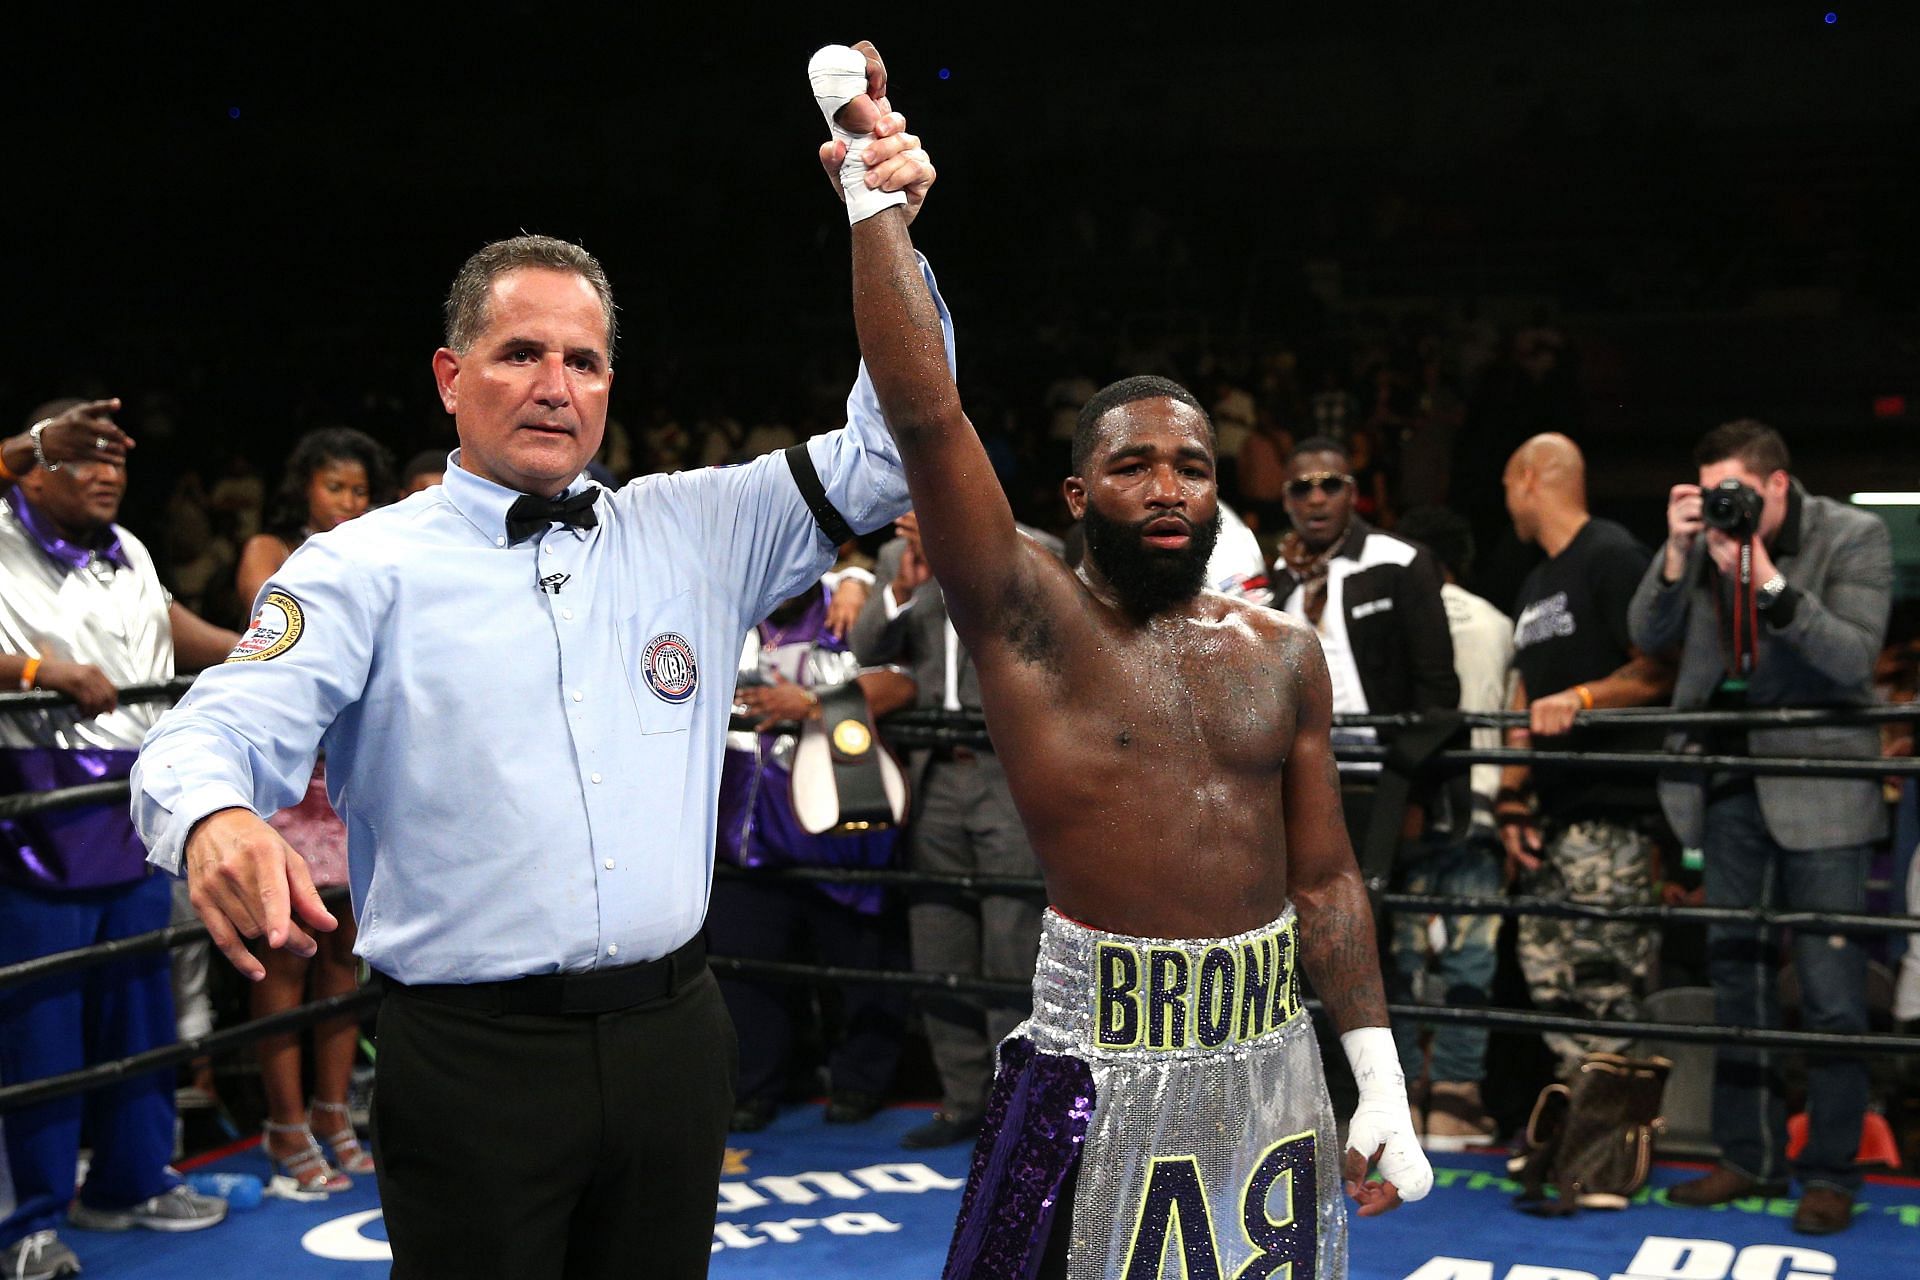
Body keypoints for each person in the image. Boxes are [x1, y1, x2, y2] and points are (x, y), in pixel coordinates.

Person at [132, 92, 943, 1280]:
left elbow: (893, 441)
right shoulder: (363, 565)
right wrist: (213, 813)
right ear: (451, 377)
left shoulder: (698, 526)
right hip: (469, 1056)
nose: (556, 382)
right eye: (521, 353)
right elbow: (215, 725)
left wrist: (883, 218)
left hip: (674, 1034)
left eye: (584, 358)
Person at [813, 43, 1428, 1279]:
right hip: (1100, 1061)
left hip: (1273, 1057)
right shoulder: (1032, 620)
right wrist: (873, 199)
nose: (1167, 488)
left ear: (1220, 493)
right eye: (1135, 464)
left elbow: (1325, 878)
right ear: (1078, 491)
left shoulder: (1283, 653)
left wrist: (1379, 1071)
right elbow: (927, 410)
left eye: (1192, 467)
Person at [1628, 419, 1892, 1236]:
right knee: (1736, 984)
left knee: (1831, 995)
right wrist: (1677, 556)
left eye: (1734, 493)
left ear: (1778, 485)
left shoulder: (1857, 535)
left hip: (1822, 786)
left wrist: (1768, 580)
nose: (1722, 508)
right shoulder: (1704, 541)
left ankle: (1831, 1173)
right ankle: (1748, 1157)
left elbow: (1852, 660)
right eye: (1709, 495)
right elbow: (1647, 635)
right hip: (1729, 784)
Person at [0, 400, 237, 1280]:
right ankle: (27, 1223)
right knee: (41, 1031)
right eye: (82, 456)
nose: (106, 472)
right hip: (33, 819)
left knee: (140, 1010)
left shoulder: (129, 549)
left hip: (134, 809)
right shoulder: (0, 533)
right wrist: (36, 672)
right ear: (31, 465)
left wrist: (270, 652)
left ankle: (132, 1183)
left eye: (116, 459)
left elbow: (181, 632)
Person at [848, 512, 1060, 1150]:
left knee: (1010, 942)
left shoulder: (1033, 549)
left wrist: (974, 547)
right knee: (938, 939)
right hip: (934, 773)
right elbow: (867, 649)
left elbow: (1050, 641)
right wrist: (903, 590)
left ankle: (1013, 1106)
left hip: (1006, 772)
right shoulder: (896, 558)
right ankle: (963, 1099)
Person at [233, 427, 390, 1197]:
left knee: (342, 957)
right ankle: (283, 1121)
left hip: (347, 782)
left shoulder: (382, 550)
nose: (349, 503)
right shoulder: (272, 551)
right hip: (290, 785)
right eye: (336, 488)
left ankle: (333, 1114)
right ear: (306, 490)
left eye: (360, 490)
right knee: (285, 955)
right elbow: (267, 617)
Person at [709, 575, 916, 1132]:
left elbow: (902, 683)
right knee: (746, 970)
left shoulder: (850, 608)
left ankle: (859, 1083)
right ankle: (755, 1087)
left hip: (840, 829)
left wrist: (813, 704)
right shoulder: (726, 605)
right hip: (741, 832)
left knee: (860, 964)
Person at [1495, 434, 1673, 1082]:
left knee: (1605, 983)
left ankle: (1606, 1155)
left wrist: (1584, 697)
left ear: (1530, 478)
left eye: (1508, 488)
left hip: (1611, 811)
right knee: (1552, 983)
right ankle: (1576, 1136)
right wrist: (1511, 798)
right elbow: (1522, 698)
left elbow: (1661, 669)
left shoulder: (1614, 555)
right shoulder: (1537, 582)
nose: (1508, 504)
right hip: (1550, 815)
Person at [1387, 507, 1512, 1149]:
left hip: (1411, 806)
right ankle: (1456, 1104)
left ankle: (1406, 1099)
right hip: (1480, 806)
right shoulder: (1497, 622)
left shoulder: (1399, 619)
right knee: (1470, 958)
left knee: (1410, 958)